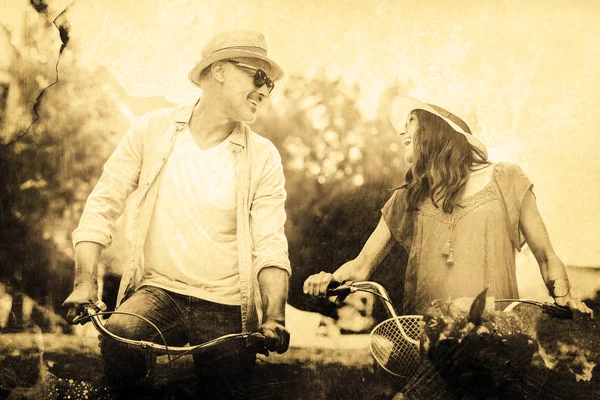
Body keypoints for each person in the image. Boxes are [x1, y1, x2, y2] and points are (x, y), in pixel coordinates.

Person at [62, 30, 292, 396]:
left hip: (228, 305)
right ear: (219, 70)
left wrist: (274, 317)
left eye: (272, 83)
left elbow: (270, 244)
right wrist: (84, 282)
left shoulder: (262, 156)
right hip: (159, 291)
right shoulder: (152, 130)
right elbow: (103, 204)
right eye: (258, 76)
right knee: (121, 335)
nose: (267, 89)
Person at [304, 96, 593, 318]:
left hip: (498, 335)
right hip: (428, 338)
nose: (402, 129)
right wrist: (329, 278)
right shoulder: (406, 199)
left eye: (412, 121)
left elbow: (545, 256)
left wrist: (564, 297)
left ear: (436, 130)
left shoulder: (506, 178)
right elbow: (360, 266)